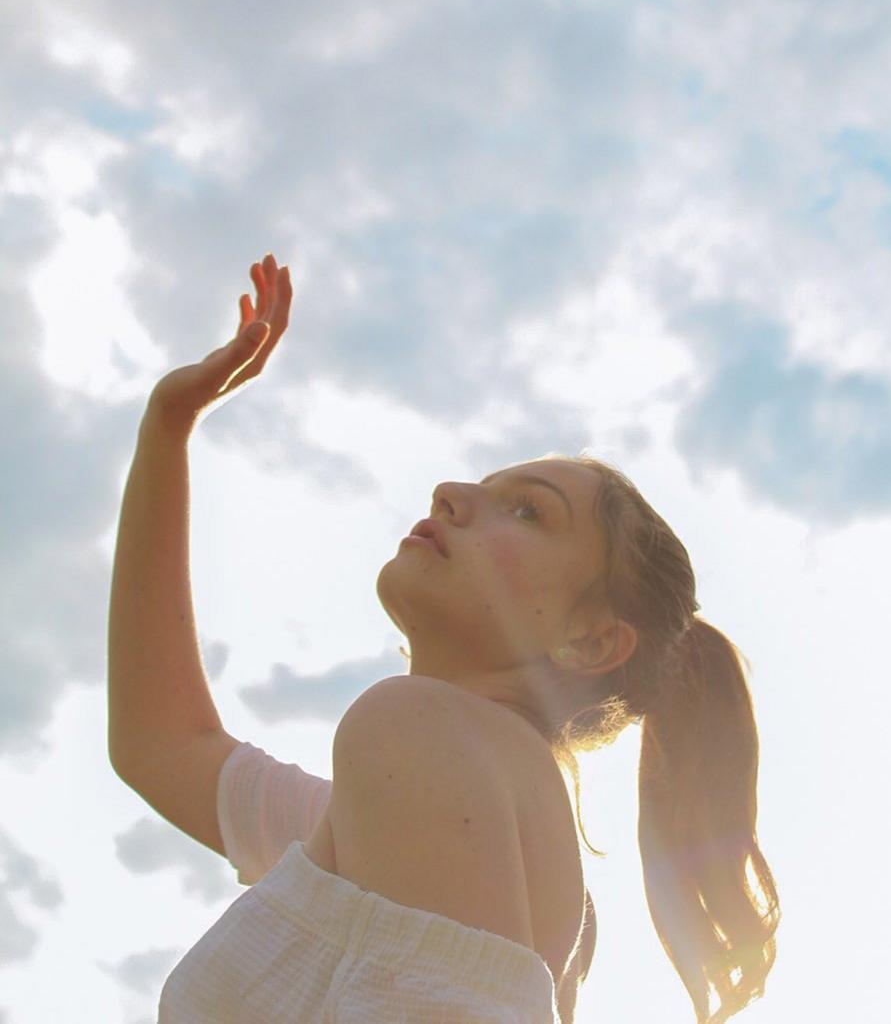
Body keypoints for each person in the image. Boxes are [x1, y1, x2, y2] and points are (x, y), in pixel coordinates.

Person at [108, 254, 780, 1023]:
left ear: (591, 643)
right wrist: (168, 428)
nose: (452, 493)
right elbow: (162, 746)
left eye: (527, 511)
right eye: (485, 488)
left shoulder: (418, 730)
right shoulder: (427, 798)